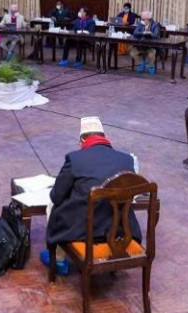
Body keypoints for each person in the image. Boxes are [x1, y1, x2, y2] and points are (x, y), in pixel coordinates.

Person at [44, 117, 141, 275]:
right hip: (120, 231)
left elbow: (56, 196)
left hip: (82, 231)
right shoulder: (127, 160)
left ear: (82, 140)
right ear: (104, 137)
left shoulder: (75, 159)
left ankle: (58, 259)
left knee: (53, 206)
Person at [129, 10, 161, 75]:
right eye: (142, 19)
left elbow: (156, 35)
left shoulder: (155, 25)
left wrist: (150, 33)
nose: (142, 21)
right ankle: (142, 63)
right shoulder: (141, 24)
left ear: (148, 19)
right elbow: (135, 33)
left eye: (143, 19)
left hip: (151, 46)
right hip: (141, 45)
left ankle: (151, 67)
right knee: (132, 53)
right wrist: (143, 32)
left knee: (151, 54)